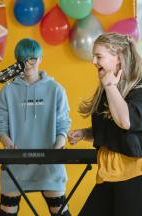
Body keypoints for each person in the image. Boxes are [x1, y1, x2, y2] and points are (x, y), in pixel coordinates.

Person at [68, 32, 142, 216]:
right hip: (109, 176)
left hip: (134, 176)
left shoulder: (138, 89)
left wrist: (110, 87)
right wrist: (85, 133)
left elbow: (125, 122)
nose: (93, 61)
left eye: (99, 56)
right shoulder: (109, 88)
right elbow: (111, 127)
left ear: (118, 57)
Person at [0, 38, 71, 216]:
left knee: (58, 209)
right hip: (16, 163)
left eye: (32, 59)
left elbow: (63, 123)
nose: (28, 64)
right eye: (23, 59)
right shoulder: (7, 90)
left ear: (40, 58)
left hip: (49, 164)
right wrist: (8, 144)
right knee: (7, 209)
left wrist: (57, 148)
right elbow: (1, 125)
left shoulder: (56, 89)